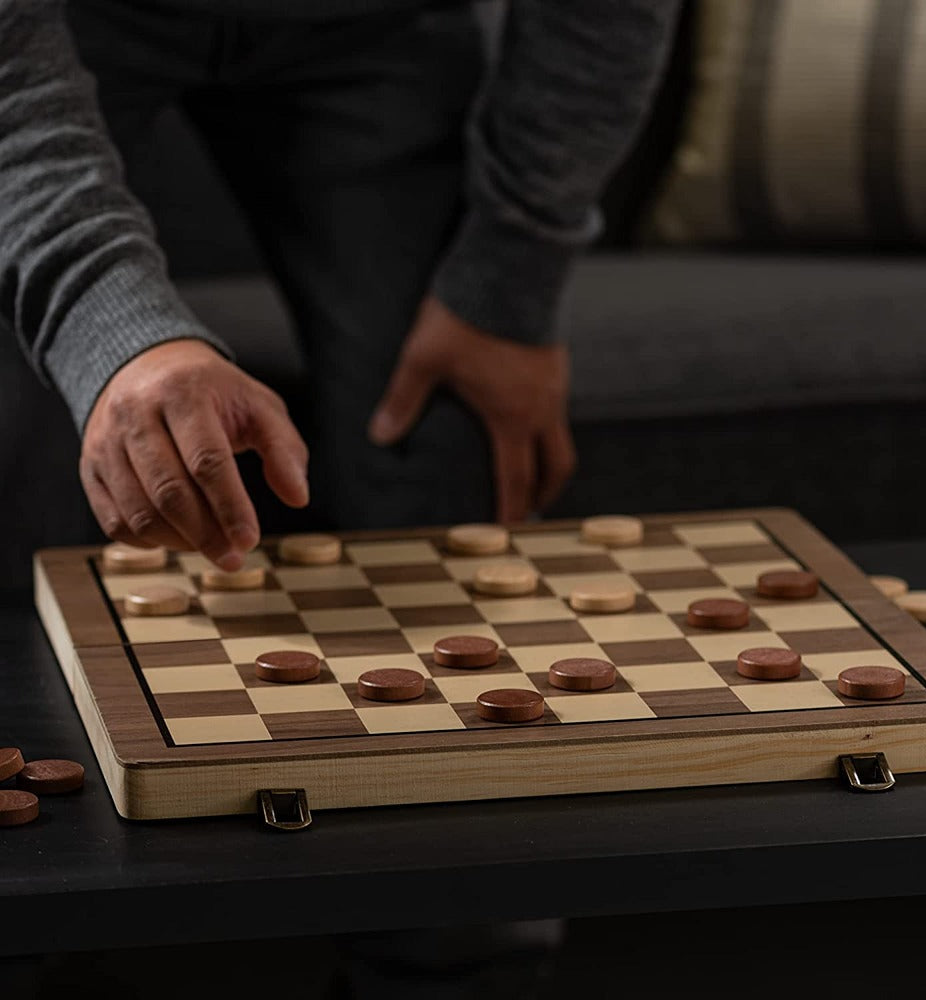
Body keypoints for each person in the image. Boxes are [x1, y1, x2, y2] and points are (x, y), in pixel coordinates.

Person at [0, 0, 680, 995]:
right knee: (33, 447)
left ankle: (461, 961)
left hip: (376, 23)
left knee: (444, 440)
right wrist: (114, 333)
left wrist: (508, 276)